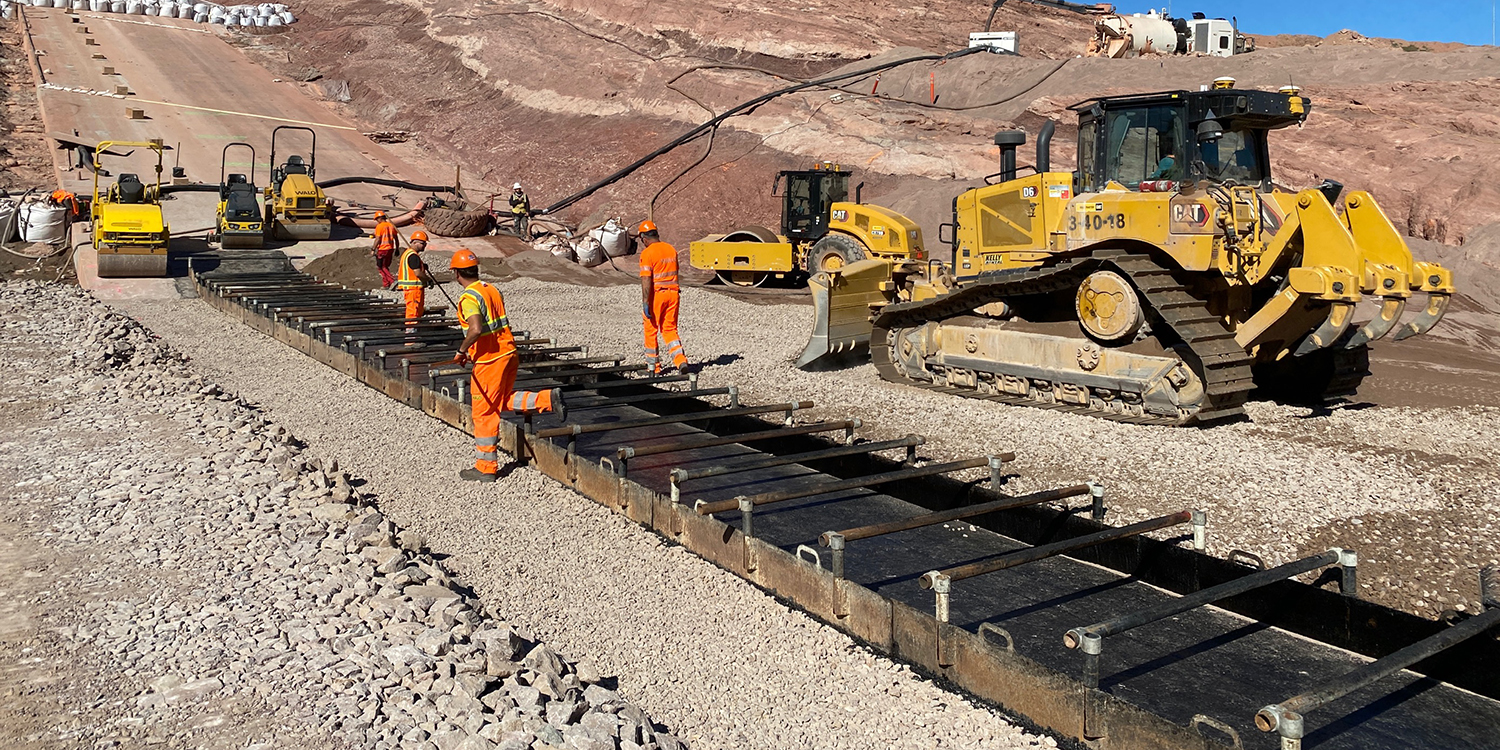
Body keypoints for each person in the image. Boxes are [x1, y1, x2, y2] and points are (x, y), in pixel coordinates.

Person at [450, 248, 565, 482]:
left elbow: (476, 329)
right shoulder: (491, 289)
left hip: (489, 361)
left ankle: (486, 467)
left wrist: (462, 351)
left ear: (456, 273)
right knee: (500, 401)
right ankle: (546, 399)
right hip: (509, 353)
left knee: (483, 412)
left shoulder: (469, 298)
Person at [637, 220, 688, 374]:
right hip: (673, 294)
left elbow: (646, 279)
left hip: (657, 295)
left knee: (651, 329)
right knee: (670, 329)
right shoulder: (670, 249)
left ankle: (653, 368)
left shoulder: (647, 253)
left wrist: (645, 301)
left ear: (644, 238)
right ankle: (681, 361)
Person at [395, 230, 437, 329]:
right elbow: (417, 273)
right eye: (422, 243)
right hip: (413, 290)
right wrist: (428, 279)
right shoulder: (413, 256)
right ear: (414, 242)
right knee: (412, 313)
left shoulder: (409, 254)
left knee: (416, 312)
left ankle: (413, 335)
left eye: (425, 243)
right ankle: (410, 340)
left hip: (413, 290)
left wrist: (422, 265)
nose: (424, 245)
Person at [371, 210, 399, 288]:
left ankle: (393, 280)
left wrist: (373, 249)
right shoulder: (391, 225)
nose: (377, 221)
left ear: (379, 218)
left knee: (381, 267)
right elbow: (396, 238)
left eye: (377, 219)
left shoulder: (379, 226)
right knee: (385, 267)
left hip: (383, 249)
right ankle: (386, 284)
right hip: (390, 249)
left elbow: (378, 239)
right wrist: (397, 249)